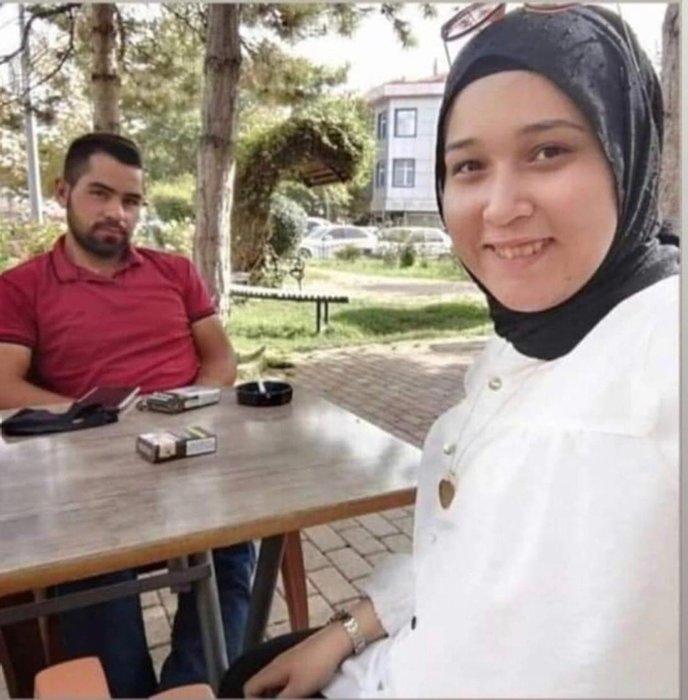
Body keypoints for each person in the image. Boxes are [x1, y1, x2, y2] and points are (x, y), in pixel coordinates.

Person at [218, 5, 679, 698]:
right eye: (468, 165)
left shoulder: (651, 366)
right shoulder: (545, 337)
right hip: (397, 654)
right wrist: (349, 629)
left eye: (548, 152)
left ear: (627, 152)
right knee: (244, 672)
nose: (500, 206)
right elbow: (470, 557)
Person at [0, 132, 256, 697]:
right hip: (87, 474)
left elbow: (220, 358)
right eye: (100, 194)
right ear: (64, 192)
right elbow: (5, 385)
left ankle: (194, 686)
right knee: (92, 561)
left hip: (186, 455)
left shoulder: (175, 272)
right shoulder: (21, 287)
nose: (117, 212)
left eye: (131, 200)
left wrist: (184, 409)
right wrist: (102, 418)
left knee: (236, 539)